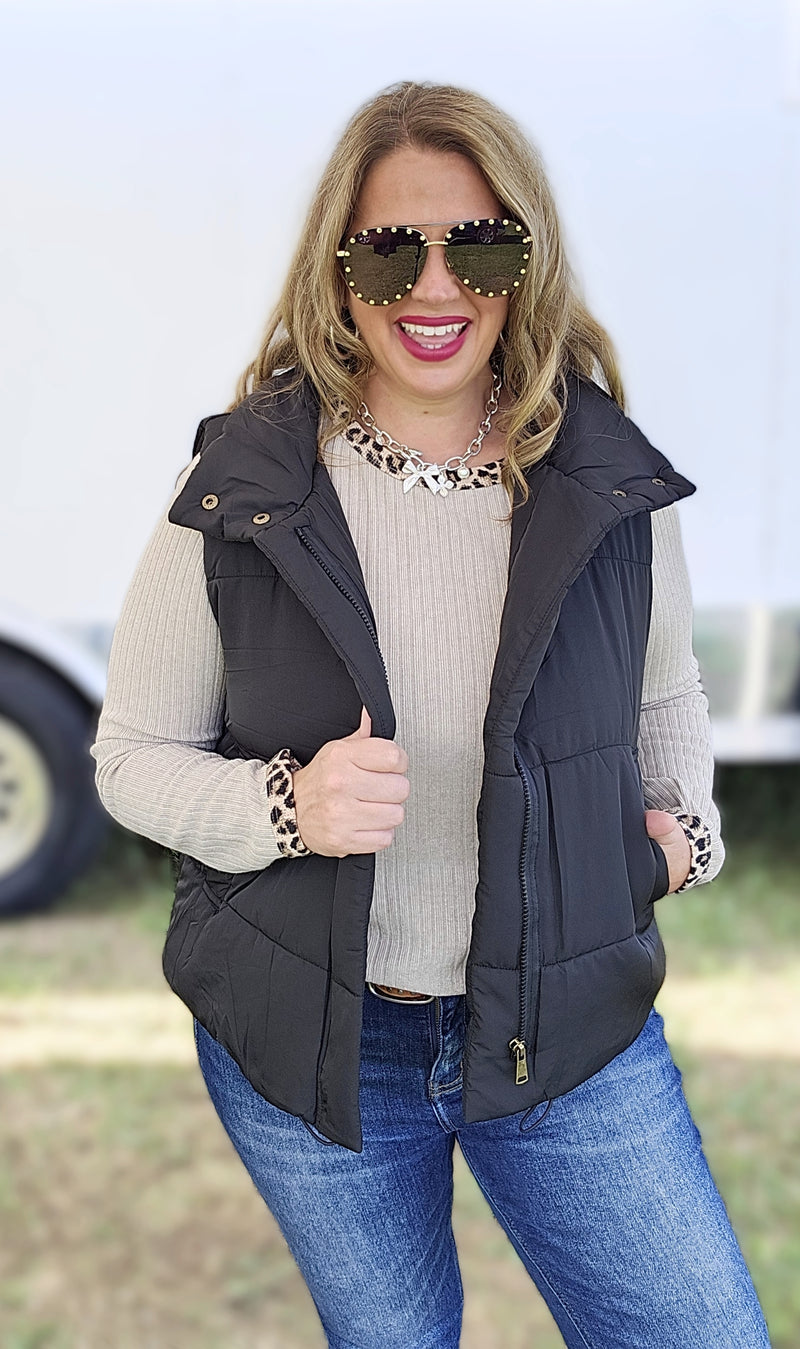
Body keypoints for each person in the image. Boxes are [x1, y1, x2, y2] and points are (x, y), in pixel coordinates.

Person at [91, 82, 771, 1349]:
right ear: (337, 273)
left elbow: (661, 690)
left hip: (566, 1033)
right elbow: (131, 756)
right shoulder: (242, 485)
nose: (436, 287)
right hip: (318, 1044)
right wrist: (288, 806)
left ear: (527, 263)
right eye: (390, 250)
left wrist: (682, 835)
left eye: (482, 247)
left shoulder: (605, 476)